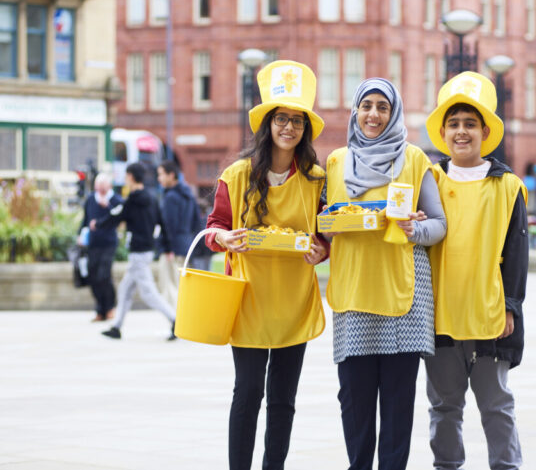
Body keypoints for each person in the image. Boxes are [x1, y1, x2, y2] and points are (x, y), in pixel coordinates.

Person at [204, 60, 329, 470]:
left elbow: (326, 231)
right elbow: (213, 228)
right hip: (250, 299)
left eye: (296, 120)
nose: (288, 127)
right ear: (268, 124)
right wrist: (223, 238)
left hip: (295, 300)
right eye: (281, 118)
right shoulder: (236, 175)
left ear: (305, 128)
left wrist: (321, 250)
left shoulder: (316, 178)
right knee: (247, 393)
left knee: (283, 398)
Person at [324, 77, 446, 470]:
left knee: (397, 403)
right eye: (367, 106)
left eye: (383, 107)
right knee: (354, 401)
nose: (373, 115)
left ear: (394, 114)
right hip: (354, 291)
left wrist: (415, 229)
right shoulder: (336, 162)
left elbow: (439, 224)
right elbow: (322, 224)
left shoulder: (414, 160)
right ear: (355, 111)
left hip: (404, 295)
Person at [423, 72, 528, 470]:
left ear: (486, 131)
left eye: (470, 124)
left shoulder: (509, 187)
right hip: (441, 316)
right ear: (443, 131)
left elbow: (517, 254)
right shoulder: (429, 181)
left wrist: (511, 308)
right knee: (444, 407)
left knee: (496, 406)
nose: (461, 132)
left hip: (490, 317)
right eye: (454, 124)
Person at [92, 163, 177, 341]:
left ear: (131, 177)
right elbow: (162, 223)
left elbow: (116, 216)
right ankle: (116, 327)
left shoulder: (132, 200)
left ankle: (175, 320)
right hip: (146, 250)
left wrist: (97, 224)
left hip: (138, 252)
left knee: (149, 293)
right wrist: (168, 247)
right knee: (125, 289)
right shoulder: (152, 198)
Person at [156, 160, 203, 307]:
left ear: (171, 175)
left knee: (169, 288)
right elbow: (197, 222)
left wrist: (169, 248)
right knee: (183, 288)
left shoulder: (170, 197)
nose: (159, 178)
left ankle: (176, 324)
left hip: (173, 250)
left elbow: (169, 225)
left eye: (161, 174)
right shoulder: (189, 195)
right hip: (186, 246)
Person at [78, 173, 122, 321]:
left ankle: (110, 307)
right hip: (93, 243)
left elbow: (120, 218)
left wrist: (108, 206)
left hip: (108, 243)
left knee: (104, 275)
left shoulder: (115, 200)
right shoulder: (91, 199)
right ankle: (99, 309)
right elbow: (85, 220)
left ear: (109, 186)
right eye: (98, 186)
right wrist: (80, 235)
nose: (101, 189)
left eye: (103, 186)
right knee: (92, 276)